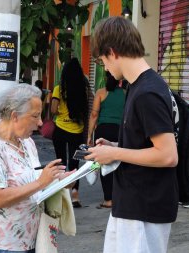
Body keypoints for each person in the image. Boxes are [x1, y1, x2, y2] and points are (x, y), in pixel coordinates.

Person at [87, 17, 179, 253]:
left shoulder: (147, 92)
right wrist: (115, 146)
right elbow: (146, 143)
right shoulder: (140, 86)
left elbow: (168, 155)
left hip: (144, 208)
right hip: (134, 205)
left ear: (112, 52)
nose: (104, 68)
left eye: (102, 61)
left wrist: (115, 152)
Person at [0, 84, 73, 253]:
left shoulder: (26, 142)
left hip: (33, 239)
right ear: (14, 116)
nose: (40, 123)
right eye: (35, 116)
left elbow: (33, 179)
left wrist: (59, 180)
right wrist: (41, 183)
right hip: (4, 245)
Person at [51, 57, 89, 208]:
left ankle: (61, 195)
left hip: (60, 130)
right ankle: (75, 195)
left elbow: (53, 110)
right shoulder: (83, 90)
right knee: (75, 164)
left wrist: (60, 111)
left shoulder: (58, 89)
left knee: (60, 163)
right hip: (78, 132)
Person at [87, 71, 125, 209]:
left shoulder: (101, 92)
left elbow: (94, 114)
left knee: (104, 163)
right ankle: (119, 197)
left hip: (103, 131)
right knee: (119, 162)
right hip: (120, 131)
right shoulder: (126, 93)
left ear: (105, 77)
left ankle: (108, 199)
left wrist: (89, 134)